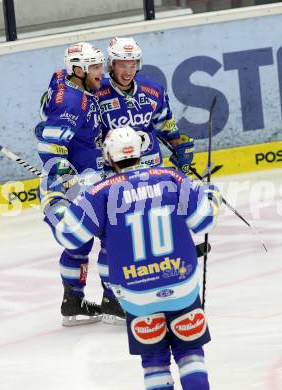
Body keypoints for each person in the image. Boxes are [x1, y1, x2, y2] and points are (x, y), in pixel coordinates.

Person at [43, 126, 222, 389]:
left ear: (109, 157)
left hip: (136, 295)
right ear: (140, 152)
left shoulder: (98, 193)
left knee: (154, 362)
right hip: (182, 285)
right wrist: (211, 194)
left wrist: (54, 203)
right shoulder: (172, 179)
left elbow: (70, 238)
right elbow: (205, 221)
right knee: (190, 354)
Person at [96, 37, 195, 324]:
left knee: (155, 232)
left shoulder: (152, 89)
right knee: (112, 240)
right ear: (111, 64)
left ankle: (155, 290)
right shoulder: (97, 93)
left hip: (151, 172)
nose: (128, 70)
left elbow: (166, 124)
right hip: (113, 176)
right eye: (121, 64)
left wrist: (179, 144)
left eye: (132, 64)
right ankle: (112, 297)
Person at [35, 42, 105, 326]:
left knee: (81, 241)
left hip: (83, 176)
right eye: (96, 68)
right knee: (110, 234)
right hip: (77, 182)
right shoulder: (72, 104)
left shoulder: (62, 79)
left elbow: (44, 115)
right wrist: (64, 174)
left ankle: (73, 302)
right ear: (78, 70)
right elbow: (50, 143)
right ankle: (114, 301)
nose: (102, 73)